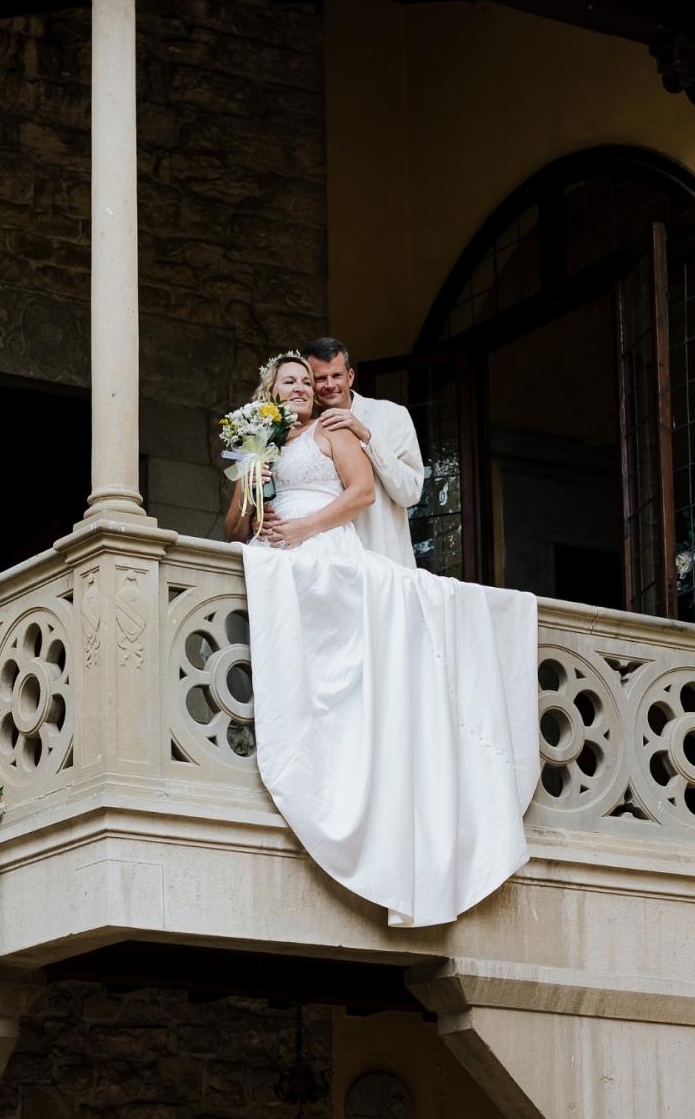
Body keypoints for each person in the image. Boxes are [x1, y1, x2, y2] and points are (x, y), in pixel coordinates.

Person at [225, 351, 538, 928]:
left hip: (320, 544)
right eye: (288, 382)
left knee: (340, 670)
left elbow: (363, 494)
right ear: (270, 390)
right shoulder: (260, 444)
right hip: (272, 552)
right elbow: (233, 526)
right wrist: (252, 481)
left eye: (306, 382)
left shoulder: (331, 429)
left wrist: (299, 529)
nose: (299, 390)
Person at [305, 335, 424, 569]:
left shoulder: (392, 415)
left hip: (381, 555)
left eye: (336, 375)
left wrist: (367, 437)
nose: (329, 384)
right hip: (327, 561)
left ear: (350, 377)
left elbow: (410, 492)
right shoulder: (305, 432)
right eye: (320, 378)